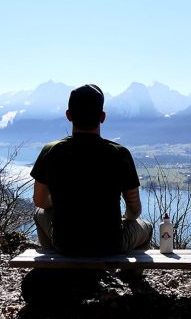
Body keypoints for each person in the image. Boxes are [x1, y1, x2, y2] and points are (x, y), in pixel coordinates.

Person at [30, 84, 153, 256]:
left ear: (68, 115)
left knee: (39, 214)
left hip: (66, 243)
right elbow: (134, 210)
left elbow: (40, 201)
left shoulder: (51, 151)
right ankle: (131, 277)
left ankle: (57, 267)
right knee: (147, 227)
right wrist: (125, 219)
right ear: (102, 117)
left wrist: (60, 204)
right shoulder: (120, 154)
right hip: (111, 244)